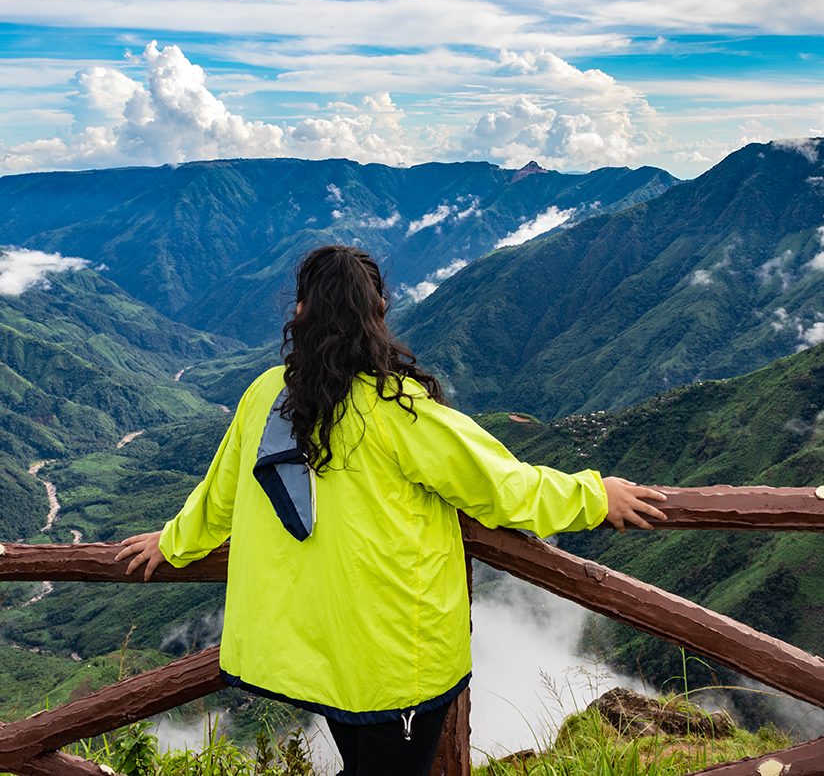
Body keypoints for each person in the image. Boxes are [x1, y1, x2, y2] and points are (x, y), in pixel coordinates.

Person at [115, 244, 667, 776]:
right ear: (377, 313)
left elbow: (218, 496)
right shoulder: (399, 410)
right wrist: (597, 496)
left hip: (319, 652)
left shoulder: (265, 395)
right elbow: (505, 489)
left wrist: (172, 543)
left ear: (301, 311)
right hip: (391, 660)